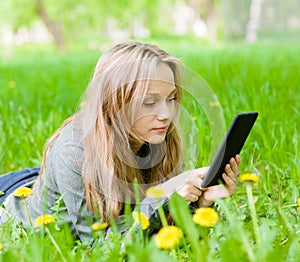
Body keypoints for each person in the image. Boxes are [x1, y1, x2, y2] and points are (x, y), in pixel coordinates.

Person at [0, 42, 240, 244]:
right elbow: (97, 248)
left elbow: (157, 229)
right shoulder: (73, 150)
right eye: (149, 103)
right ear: (114, 102)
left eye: (171, 99)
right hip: (16, 210)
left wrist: (200, 203)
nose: (166, 114)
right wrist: (165, 196)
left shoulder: (158, 137)